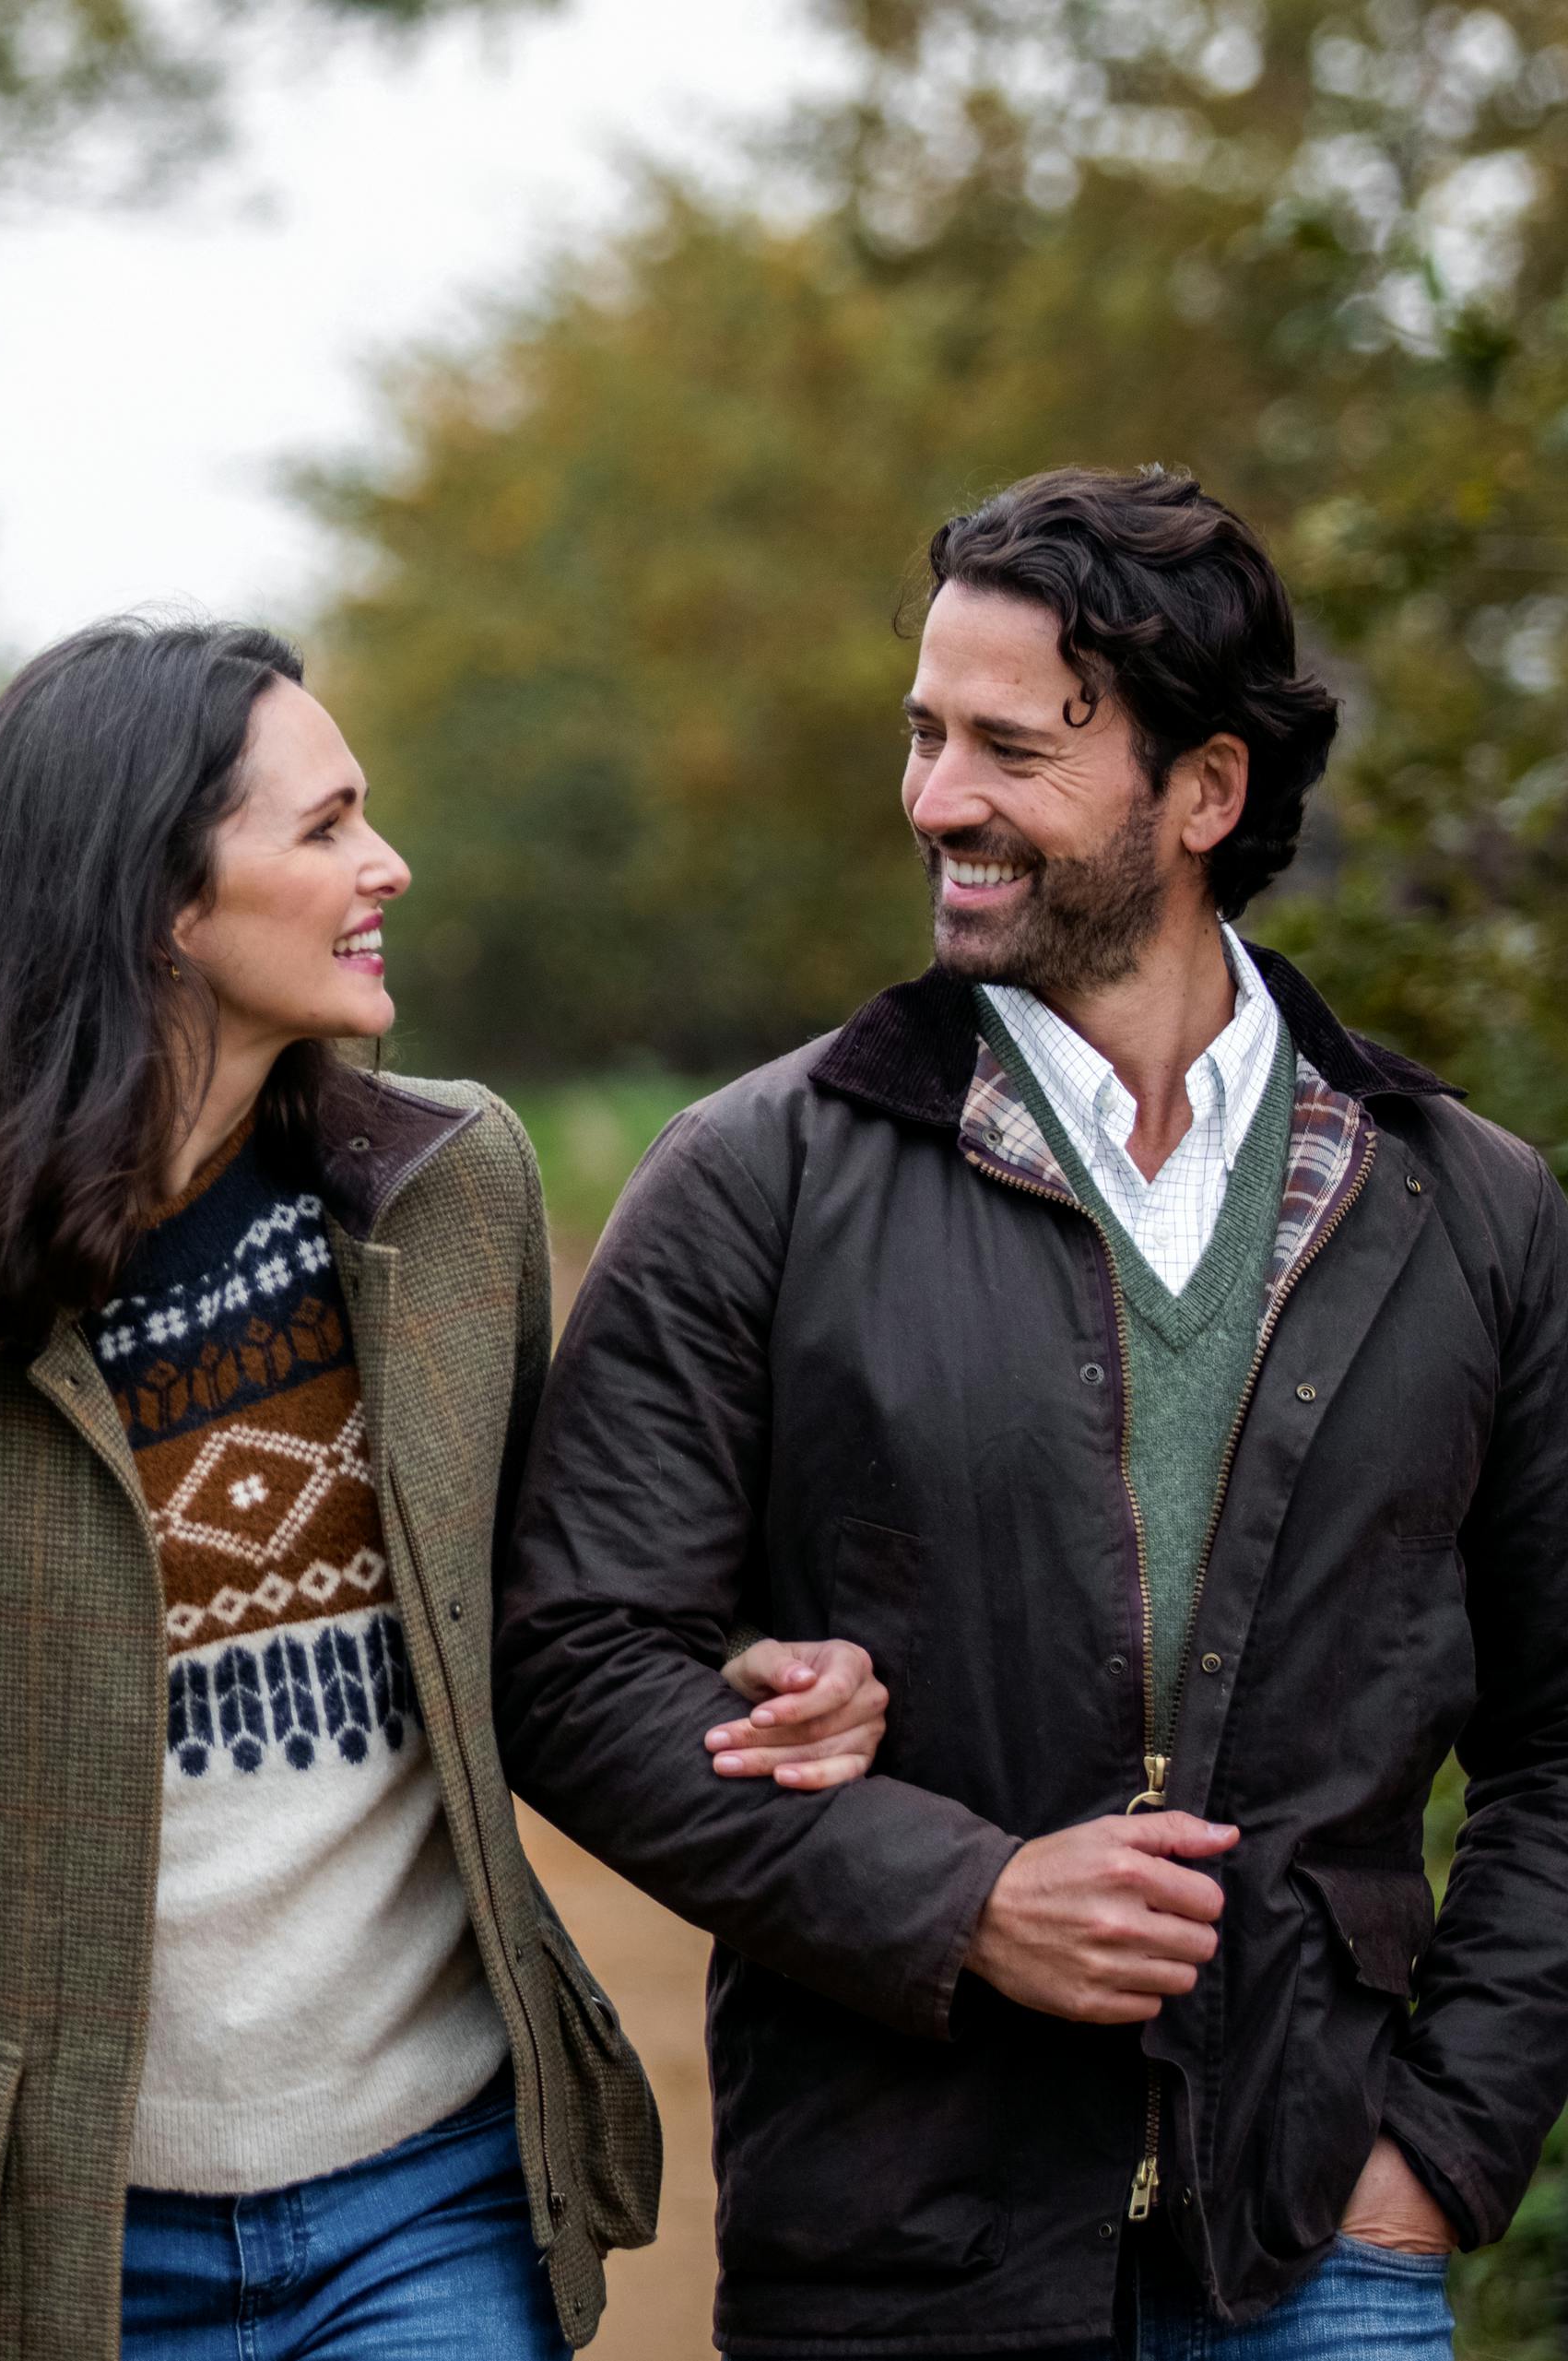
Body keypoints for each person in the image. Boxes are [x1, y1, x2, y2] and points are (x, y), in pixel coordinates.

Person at [0, 618, 895, 2361]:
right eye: (326, 826)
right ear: (161, 902)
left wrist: (757, 1676)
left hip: (428, 2206)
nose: (384, 863)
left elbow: (549, 1610)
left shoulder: (449, 1193)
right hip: (65, 2252)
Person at [495, 466, 1568, 2361]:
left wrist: (1444, 2151)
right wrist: (964, 1898)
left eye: (1010, 748)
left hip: (1329, 2258)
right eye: (923, 736)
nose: (935, 802)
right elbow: (576, 1659)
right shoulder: (756, 1178)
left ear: (1206, 793)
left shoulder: (1470, 1211)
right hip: (905, 2256)